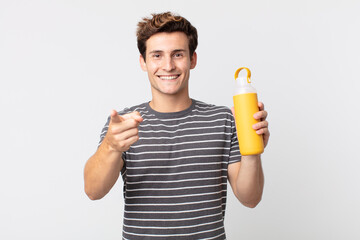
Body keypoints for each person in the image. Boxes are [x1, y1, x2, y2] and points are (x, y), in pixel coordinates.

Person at [84, 12, 270, 239]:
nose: (168, 65)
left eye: (178, 54)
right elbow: (93, 191)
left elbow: (250, 199)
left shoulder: (223, 119)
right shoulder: (123, 125)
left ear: (193, 59)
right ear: (143, 62)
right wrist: (111, 147)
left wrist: (253, 151)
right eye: (157, 55)